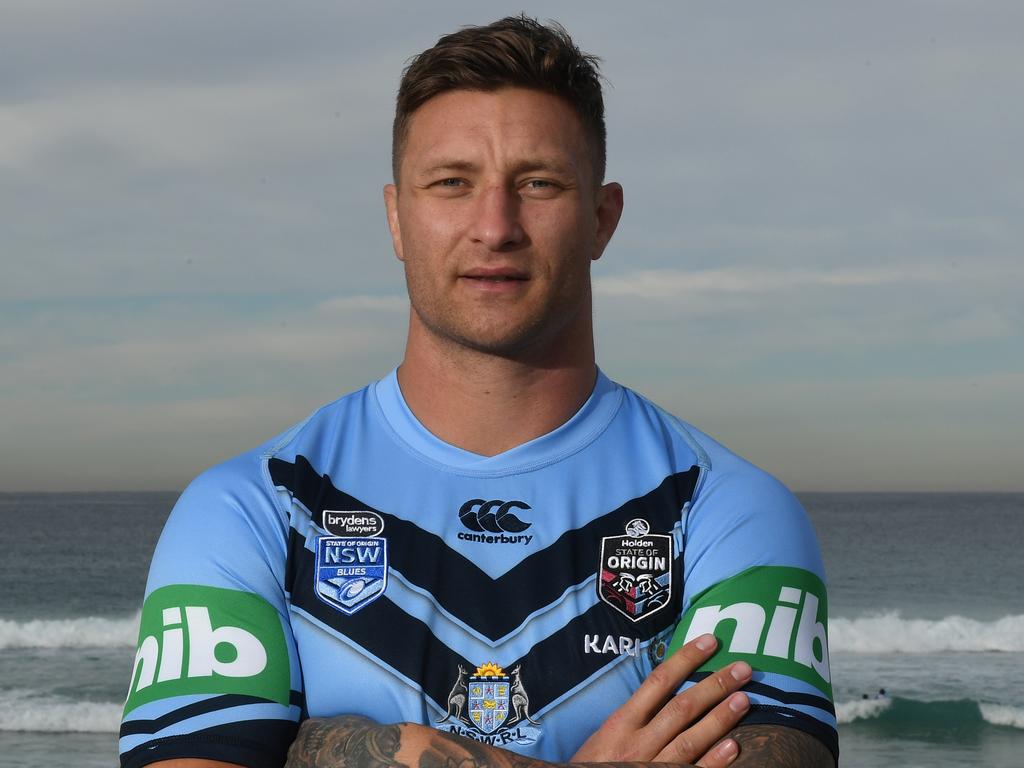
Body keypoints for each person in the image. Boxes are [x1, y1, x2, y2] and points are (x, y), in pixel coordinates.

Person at [119, 15, 837, 768]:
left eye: (538, 183)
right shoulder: (255, 504)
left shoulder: (722, 507)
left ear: (602, 218)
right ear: (398, 218)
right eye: (452, 184)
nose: (494, 226)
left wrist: (322, 750)